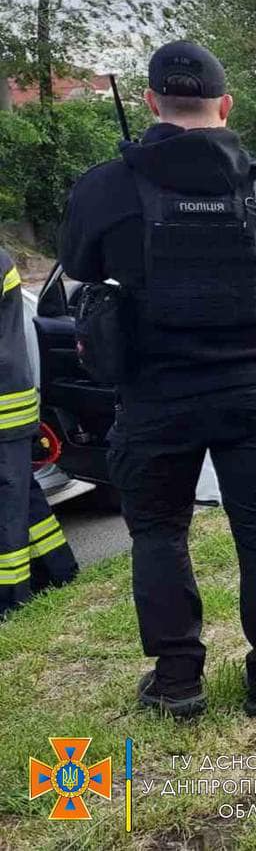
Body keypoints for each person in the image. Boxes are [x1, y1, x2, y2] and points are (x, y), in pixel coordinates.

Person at [59, 40, 256, 718]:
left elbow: (78, 266)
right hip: (250, 394)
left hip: (153, 397)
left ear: (149, 103)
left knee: (160, 533)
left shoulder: (106, 186)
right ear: (225, 106)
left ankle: (177, 682)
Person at [0, 249, 79, 618]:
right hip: (12, 402)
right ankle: (58, 568)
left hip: (4, 408)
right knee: (23, 495)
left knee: (7, 505)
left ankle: (11, 598)